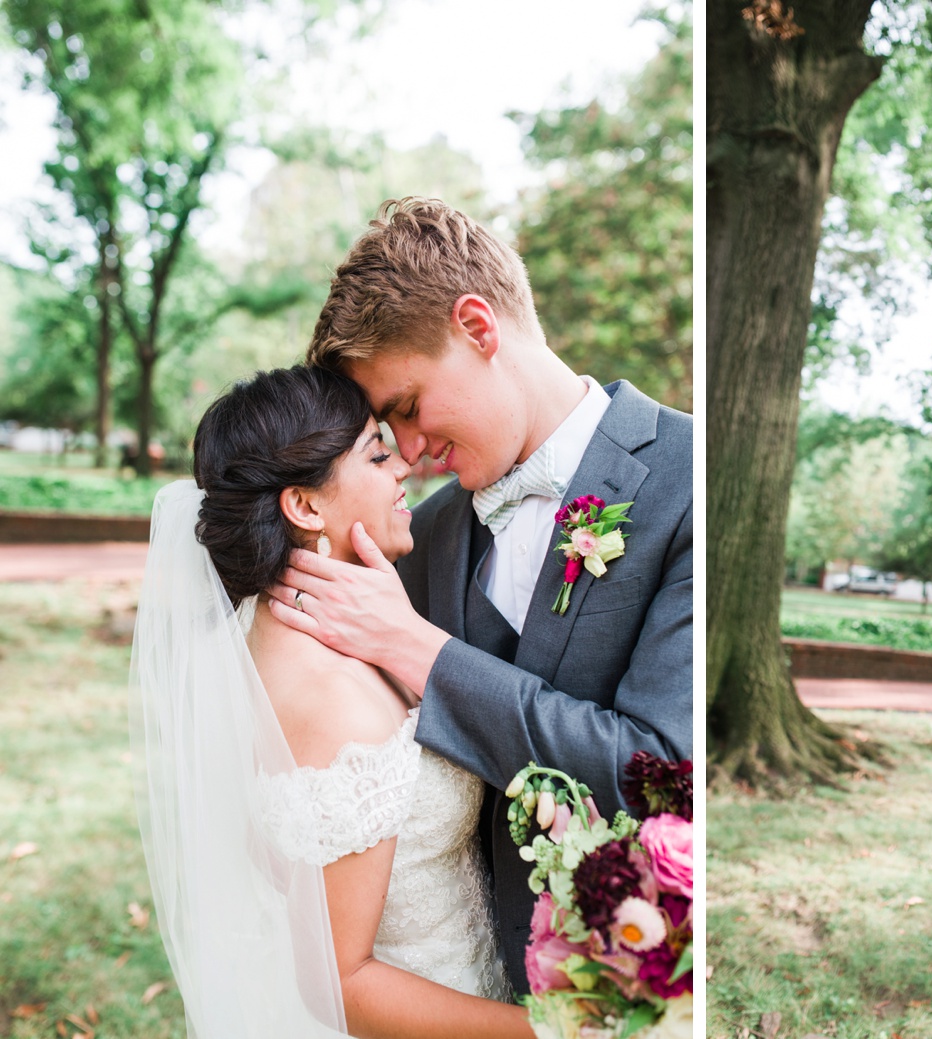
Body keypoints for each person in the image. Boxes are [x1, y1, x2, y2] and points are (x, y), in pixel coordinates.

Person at [267, 198, 693, 992]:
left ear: (478, 326)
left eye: (408, 408)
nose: (413, 451)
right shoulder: (417, 536)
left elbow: (664, 770)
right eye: (388, 434)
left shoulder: (687, 478)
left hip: (637, 977)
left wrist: (415, 648)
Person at [131, 366, 532, 1039]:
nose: (405, 464)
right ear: (306, 507)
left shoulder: (278, 623)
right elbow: (339, 983)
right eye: (377, 454)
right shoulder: (332, 701)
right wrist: (549, 1030)